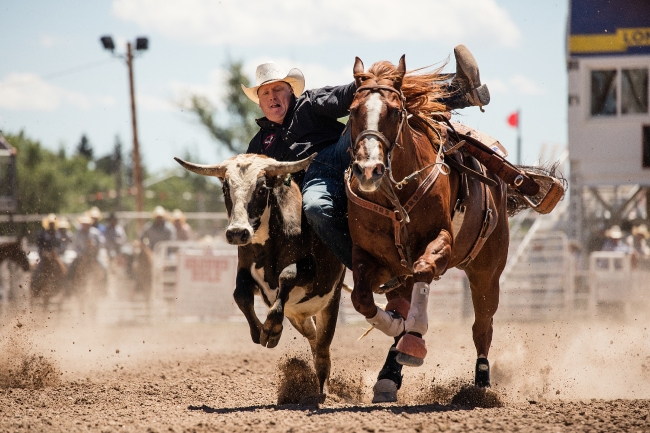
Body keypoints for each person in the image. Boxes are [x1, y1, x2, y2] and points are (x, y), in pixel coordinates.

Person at [241, 45, 489, 270]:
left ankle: (458, 92)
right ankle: (366, 268)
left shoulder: (310, 103)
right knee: (315, 208)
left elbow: (353, 92)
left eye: (278, 89)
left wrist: (367, 78)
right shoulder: (260, 144)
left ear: (290, 92)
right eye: (266, 93)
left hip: (342, 153)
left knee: (376, 96)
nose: (273, 97)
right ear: (260, 102)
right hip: (314, 182)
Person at [67, 213, 106, 283]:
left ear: (89, 224)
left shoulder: (95, 232)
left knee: (104, 267)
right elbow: (75, 246)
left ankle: (105, 286)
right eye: (83, 224)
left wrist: (94, 247)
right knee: (70, 268)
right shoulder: (77, 234)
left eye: (86, 224)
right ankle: (69, 287)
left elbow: (101, 243)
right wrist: (81, 254)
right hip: (81, 256)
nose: (85, 225)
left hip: (94, 256)